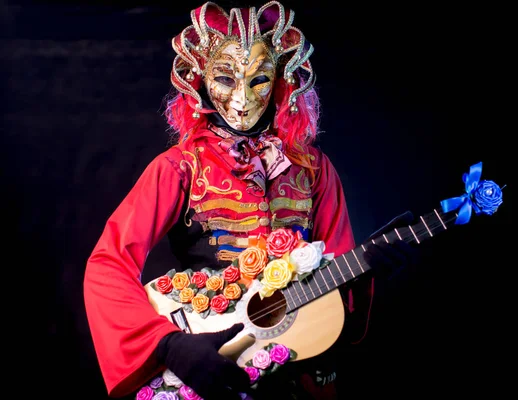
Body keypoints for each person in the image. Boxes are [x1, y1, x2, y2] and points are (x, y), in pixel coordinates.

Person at [83, 2, 418, 399]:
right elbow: (108, 264)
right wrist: (169, 344)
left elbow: (338, 277)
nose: (241, 98)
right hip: (213, 355)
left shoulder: (313, 169)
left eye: (258, 79)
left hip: (297, 372)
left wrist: (365, 274)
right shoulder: (180, 168)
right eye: (225, 78)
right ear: (200, 81)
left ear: (280, 81)